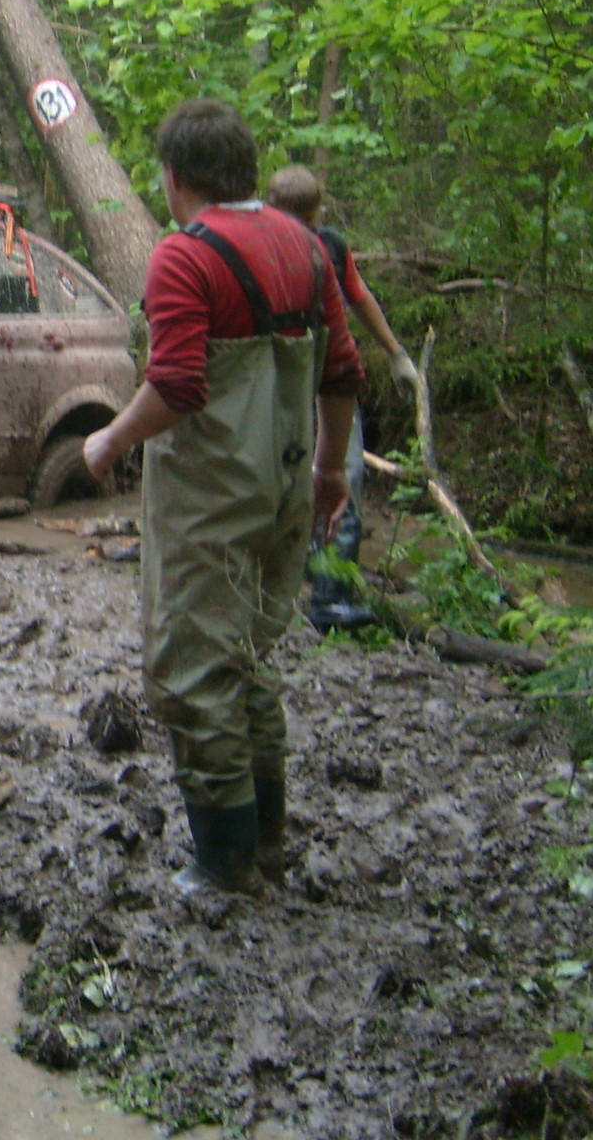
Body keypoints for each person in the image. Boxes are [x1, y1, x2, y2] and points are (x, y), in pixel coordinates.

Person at [83, 101, 363, 896]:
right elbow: (343, 371)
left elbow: (177, 385)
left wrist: (110, 441)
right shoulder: (305, 246)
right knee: (250, 660)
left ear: (175, 177)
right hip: (286, 488)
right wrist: (331, 474)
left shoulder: (184, 256)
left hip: (211, 500)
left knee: (194, 671)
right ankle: (267, 842)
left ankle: (224, 863)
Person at [266, 166, 419, 631]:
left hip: (322, 377)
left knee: (338, 476)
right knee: (301, 478)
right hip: (284, 378)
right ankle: (288, 587)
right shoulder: (261, 245)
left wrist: (397, 354)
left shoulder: (329, 246)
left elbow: (358, 296)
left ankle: (328, 594)